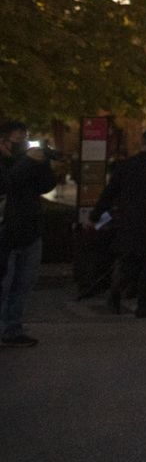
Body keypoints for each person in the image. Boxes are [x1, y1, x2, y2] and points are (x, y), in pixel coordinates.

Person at [93, 128, 146, 319]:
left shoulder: (125, 165)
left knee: (127, 261)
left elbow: (109, 192)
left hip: (128, 222)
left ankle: (115, 295)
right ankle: (143, 305)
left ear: (142, 142)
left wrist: (95, 215)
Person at [1, 122, 59, 346]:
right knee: (4, 284)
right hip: (5, 233)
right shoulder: (13, 164)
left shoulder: (25, 162)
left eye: (26, 139)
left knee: (23, 284)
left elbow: (46, 186)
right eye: (18, 140)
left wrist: (43, 163)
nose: (23, 145)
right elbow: (8, 183)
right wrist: (26, 160)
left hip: (29, 231)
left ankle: (12, 330)